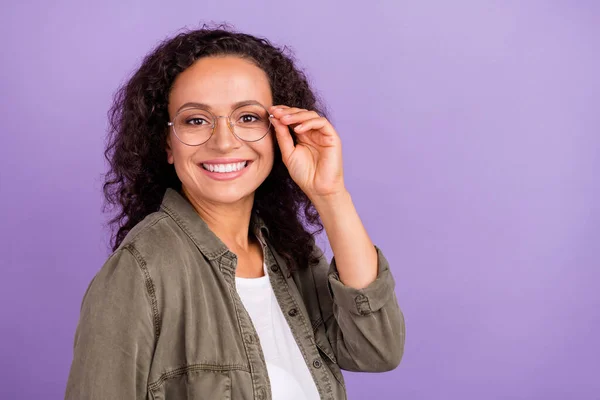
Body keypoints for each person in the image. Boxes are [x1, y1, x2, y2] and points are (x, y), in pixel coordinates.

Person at [65, 25, 406, 400]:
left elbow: (376, 350)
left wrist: (330, 194)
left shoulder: (290, 252)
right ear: (166, 143)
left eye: (248, 118)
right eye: (196, 120)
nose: (224, 142)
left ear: (280, 132)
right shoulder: (140, 271)